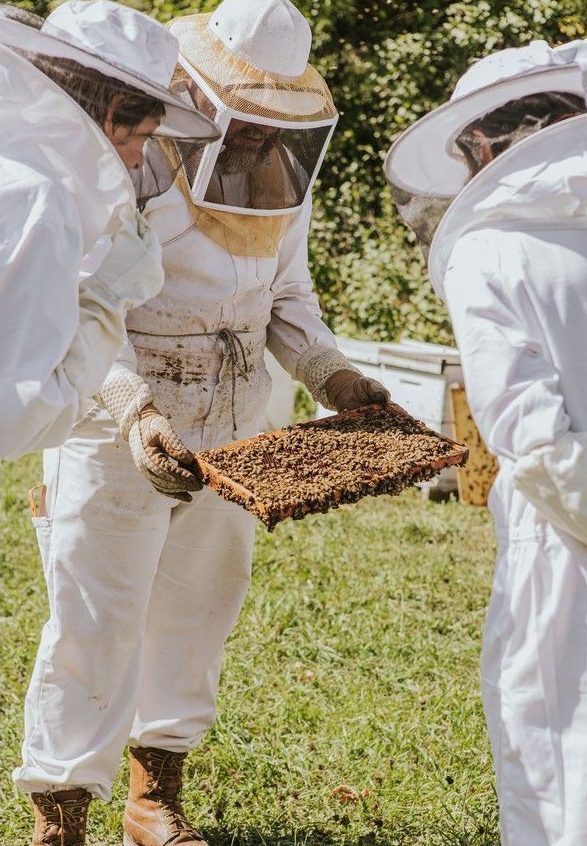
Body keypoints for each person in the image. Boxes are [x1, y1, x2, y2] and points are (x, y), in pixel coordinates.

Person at [13, 1, 390, 844]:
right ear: (205, 101)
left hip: (237, 412)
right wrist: (132, 407)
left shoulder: (282, 192)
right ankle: (60, 815)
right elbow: (80, 313)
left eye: (272, 129)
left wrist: (335, 375)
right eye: (244, 125)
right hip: (117, 413)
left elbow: (285, 299)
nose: (257, 144)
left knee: (199, 607)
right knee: (94, 614)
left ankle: (153, 801)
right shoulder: (126, 167)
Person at [386, 33, 587, 846]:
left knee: (561, 764)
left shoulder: (488, 251)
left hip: (568, 553)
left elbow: (537, 448)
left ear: (482, 142)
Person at [0, 0, 219, 460]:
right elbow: (16, 418)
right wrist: (106, 297)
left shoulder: (12, 166)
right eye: (140, 136)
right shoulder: (46, 203)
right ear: (112, 109)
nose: (140, 159)